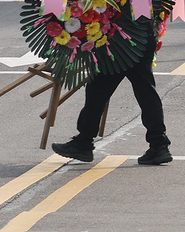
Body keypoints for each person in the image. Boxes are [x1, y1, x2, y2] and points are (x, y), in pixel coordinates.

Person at [51, 28, 171, 166]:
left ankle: (83, 142)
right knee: (146, 92)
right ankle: (159, 144)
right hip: (143, 34)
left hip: (120, 39)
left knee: (98, 90)